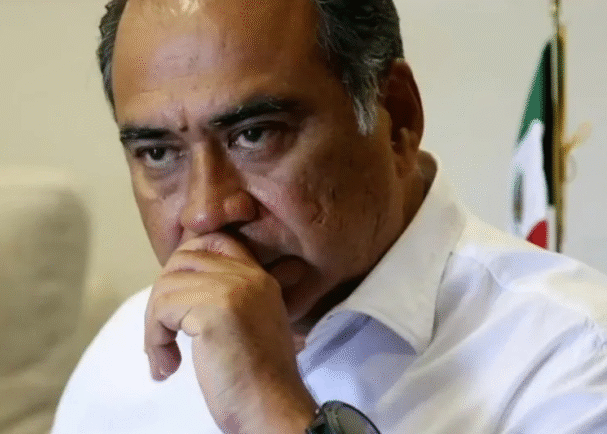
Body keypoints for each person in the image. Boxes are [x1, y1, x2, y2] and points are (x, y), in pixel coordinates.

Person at [51, 0, 607, 432]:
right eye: (157, 152)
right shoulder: (123, 355)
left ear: (398, 119)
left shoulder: (575, 355)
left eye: (254, 135)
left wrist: (272, 410)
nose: (205, 213)